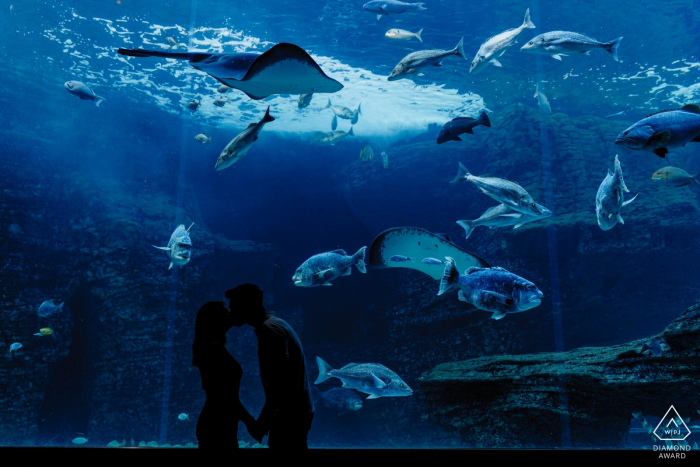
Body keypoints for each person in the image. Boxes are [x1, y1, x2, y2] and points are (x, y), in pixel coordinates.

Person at [225, 283, 314, 449]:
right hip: (293, 412)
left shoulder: (269, 330)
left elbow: (281, 384)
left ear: (246, 306)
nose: (230, 311)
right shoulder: (274, 324)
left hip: (289, 415)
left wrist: (262, 423)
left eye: (234, 307)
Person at [191, 301, 259, 449]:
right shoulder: (213, 350)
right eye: (224, 311)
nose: (229, 313)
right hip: (217, 424)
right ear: (214, 320)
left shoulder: (209, 348)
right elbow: (226, 397)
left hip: (218, 421)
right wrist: (250, 422)